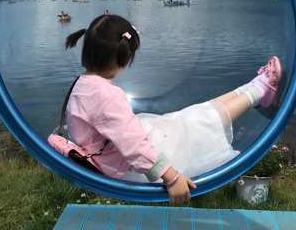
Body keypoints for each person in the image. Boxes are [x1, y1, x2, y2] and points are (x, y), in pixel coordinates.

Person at [64, 14, 282, 204]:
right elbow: (133, 145)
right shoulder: (105, 96)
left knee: (194, 115)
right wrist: (171, 177)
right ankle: (261, 89)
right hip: (130, 168)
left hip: (115, 155)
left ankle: (254, 88)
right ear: (121, 58)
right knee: (199, 121)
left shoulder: (84, 85)